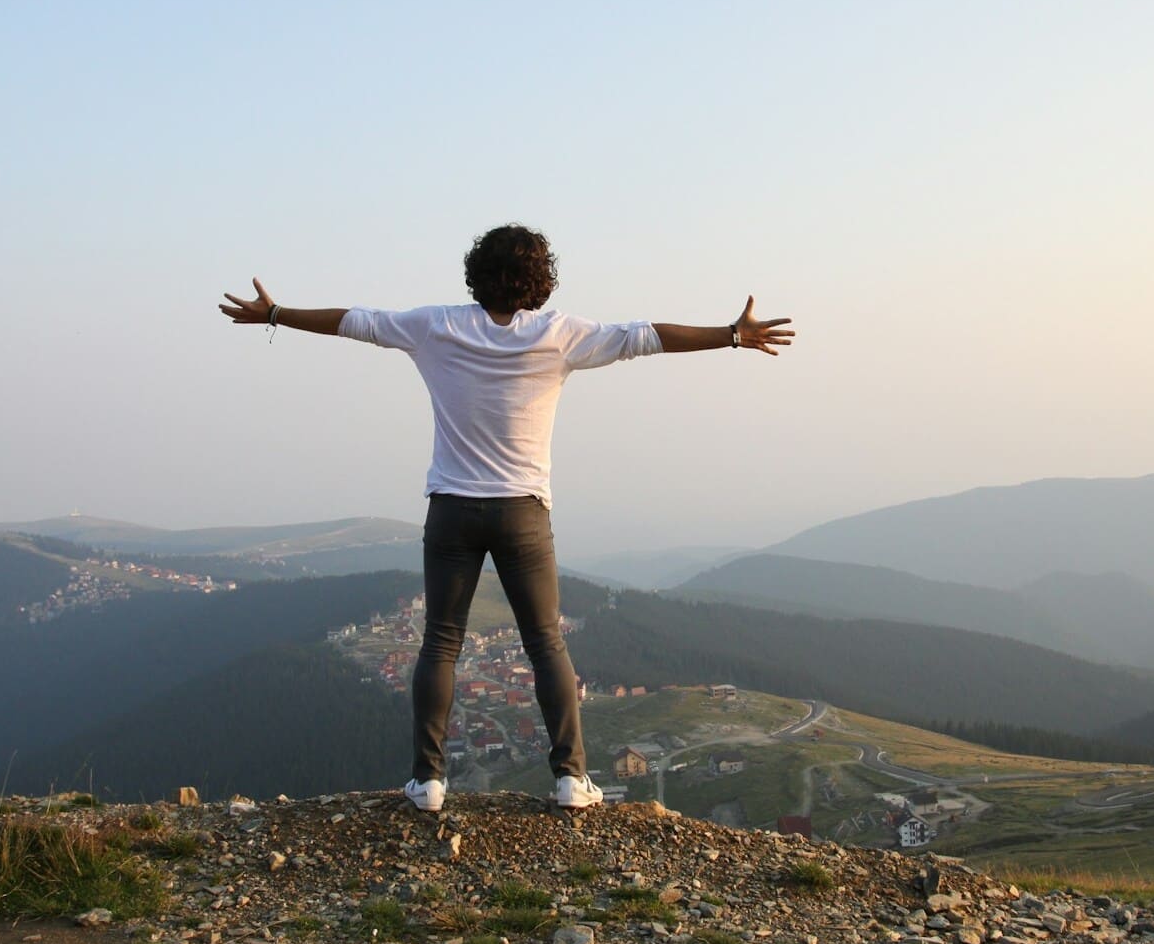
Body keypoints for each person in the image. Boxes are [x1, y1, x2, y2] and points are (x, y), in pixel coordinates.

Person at [218, 224, 794, 812]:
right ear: (539, 279)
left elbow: (354, 321)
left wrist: (275, 314)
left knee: (441, 642)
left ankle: (428, 781)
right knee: (546, 643)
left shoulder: (435, 326)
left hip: (451, 511)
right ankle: (571, 779)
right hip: (523, 513)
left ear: (476, 271)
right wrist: (730, 335)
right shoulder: (560, 334)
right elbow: (645, 336)